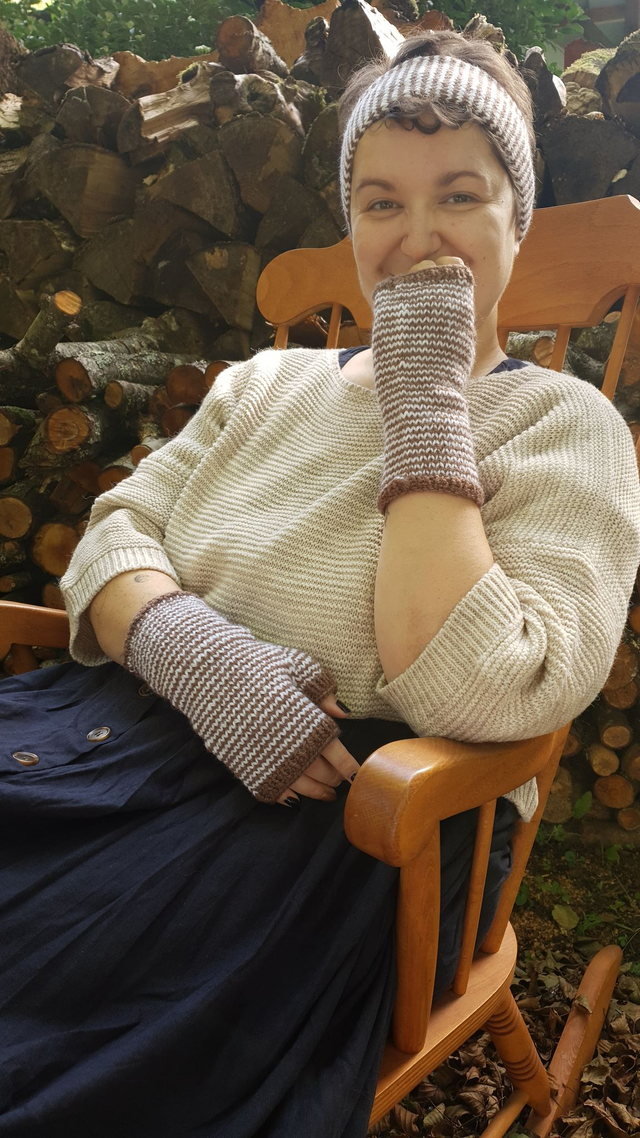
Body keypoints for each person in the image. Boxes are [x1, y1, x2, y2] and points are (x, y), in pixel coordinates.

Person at [1, 27, 640, 1138]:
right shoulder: (264, 384)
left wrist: (426, 390)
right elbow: (111, 534)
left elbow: (483, 689)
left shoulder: (563, 426)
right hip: (124, 730)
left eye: (459, 196)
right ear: (351, 223)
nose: (417, 234)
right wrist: (194, 653)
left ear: (518, 219)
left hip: (346, 828)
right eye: (381, 202)